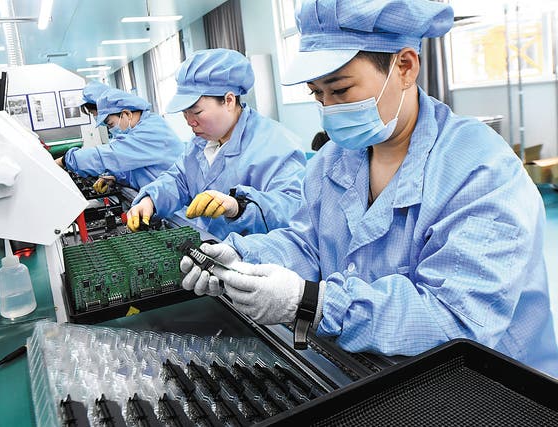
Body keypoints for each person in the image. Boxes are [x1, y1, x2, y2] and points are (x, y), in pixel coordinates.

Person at [180, 0, 558, 378]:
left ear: (405, 66)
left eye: (341, 90)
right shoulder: (332, 160)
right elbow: (308, 245)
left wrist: (315, 304)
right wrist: (242, 255)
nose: (328, 109)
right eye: (317, 94)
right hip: (370, 371)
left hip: (479, 388)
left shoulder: (480, 169)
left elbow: (457, 317)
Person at [127, 48, 306, 239]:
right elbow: (179, 180)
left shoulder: (276, 145)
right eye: (184, 113)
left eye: (196, 112)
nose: (190, 121)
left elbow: (293, 209)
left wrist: (239, 207)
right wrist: (151, 200)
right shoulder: (201, 143)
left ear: (228, 100)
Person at [56, 88, 184, 191]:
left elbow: (110, 155)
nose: (111, 129)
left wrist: (66, 160)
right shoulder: (139, 128)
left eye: (110, 124)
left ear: (126, 114)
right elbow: (138, 169)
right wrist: (116, 177)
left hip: (179, 210)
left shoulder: (151, 130)